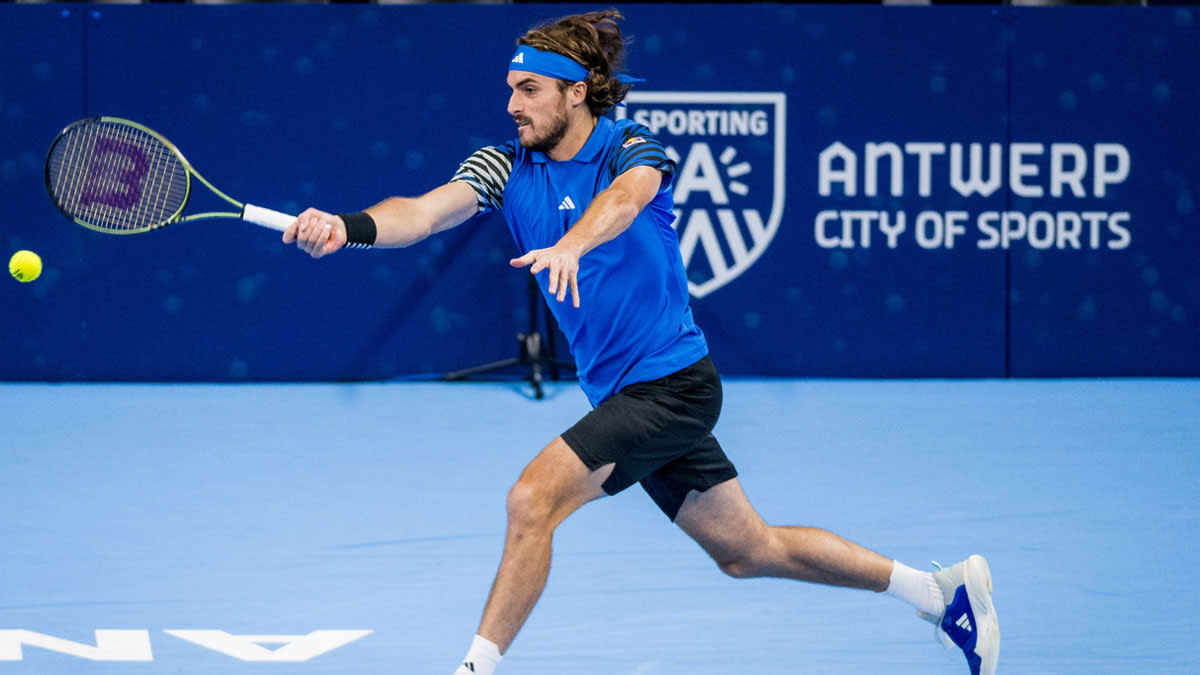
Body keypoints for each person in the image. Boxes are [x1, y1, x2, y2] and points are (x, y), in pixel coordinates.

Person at [282, 9, 999, 675]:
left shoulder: (631, 147)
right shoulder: (506, 167)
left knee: (532, 500)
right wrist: (350, 226)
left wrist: (570, 244)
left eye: (529, 89)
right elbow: (423, 211)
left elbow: (626, 199)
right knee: (748, 550)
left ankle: (474, 667)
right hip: (624, 391)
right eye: (510, 89)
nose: (512, 105)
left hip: (673, 385)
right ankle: (939, 594)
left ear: (577, 92)